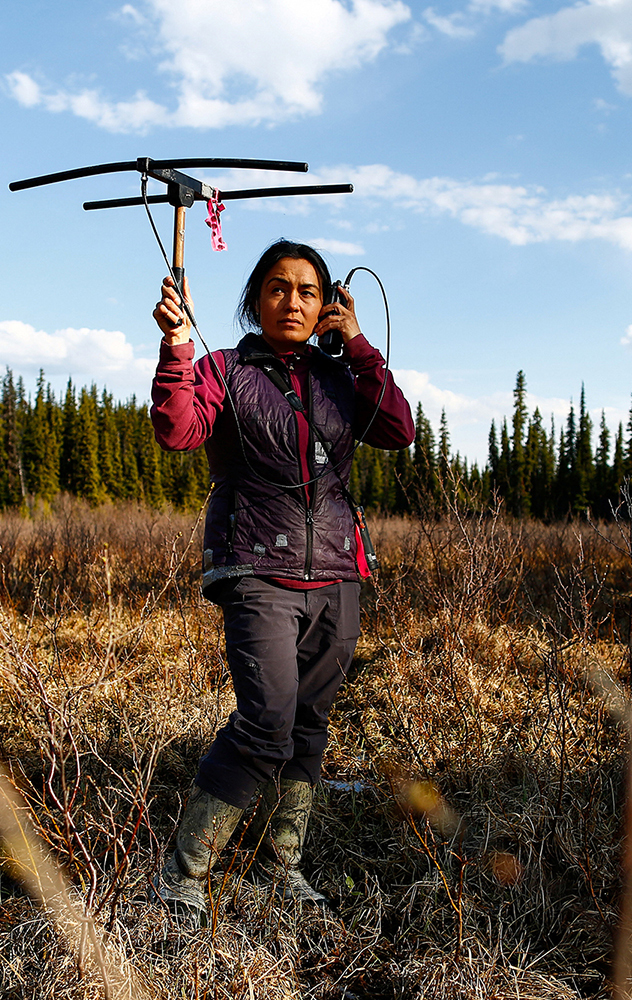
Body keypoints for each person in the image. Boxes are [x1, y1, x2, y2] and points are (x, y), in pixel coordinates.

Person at [148, 239, 414, 926]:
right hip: (256, 569)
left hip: (337, 574)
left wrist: (356, 344)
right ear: (255, 300)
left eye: (305, 289)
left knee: (307, 726)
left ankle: (277, 870)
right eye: (276, 287)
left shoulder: (338, 376)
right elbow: (178, 430)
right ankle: (181, 877)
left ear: (324, 302)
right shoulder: (225, 370)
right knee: (266, 720)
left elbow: (397, 427)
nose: (291, 301)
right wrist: (177, 345)